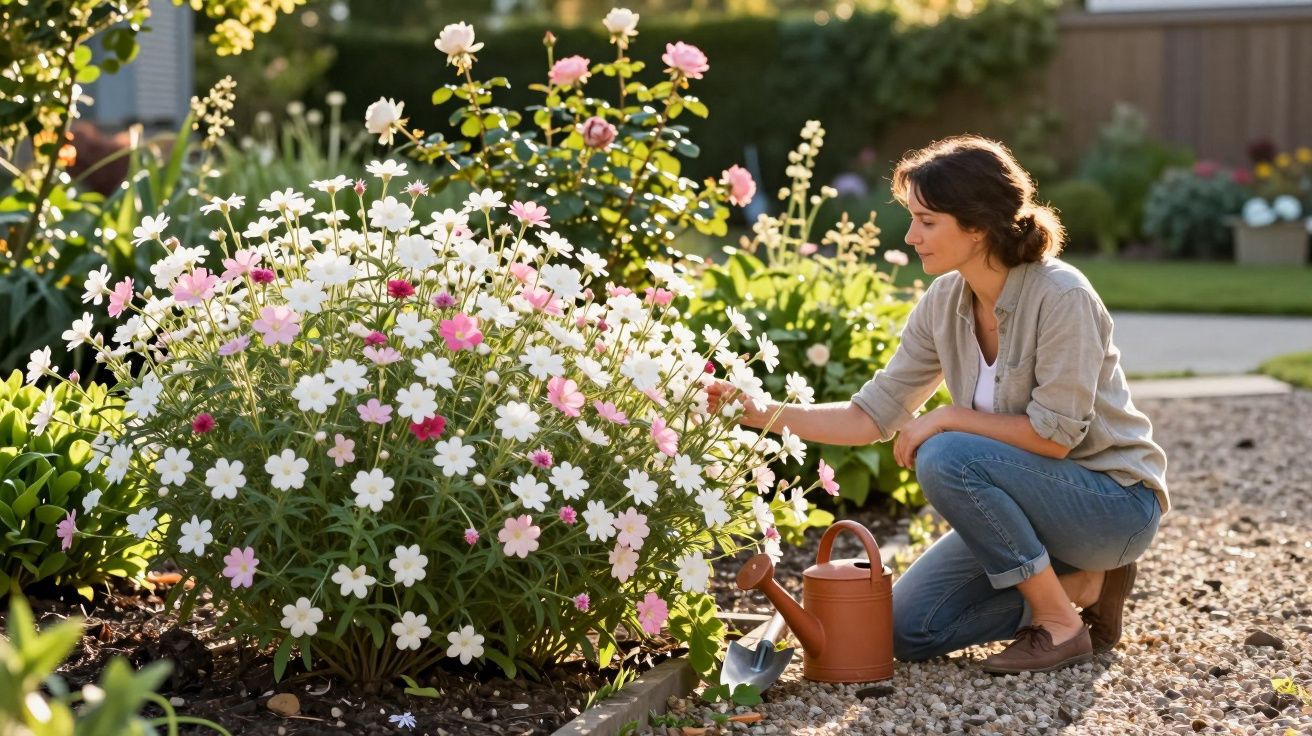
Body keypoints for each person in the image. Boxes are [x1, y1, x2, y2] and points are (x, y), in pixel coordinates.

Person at [706, 135, 1168, 674]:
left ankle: (1059, 625)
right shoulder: (945, 302)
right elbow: (871, 415)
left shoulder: (1062, 296)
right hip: (1034, 515)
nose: (911, 236)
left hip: (1111, 507)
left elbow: (1054, 438)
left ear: (977, 226)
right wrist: (759, 411)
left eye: (927, 221)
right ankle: (1085, 588)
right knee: (907, 628)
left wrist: (946, 417)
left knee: (945, 454)